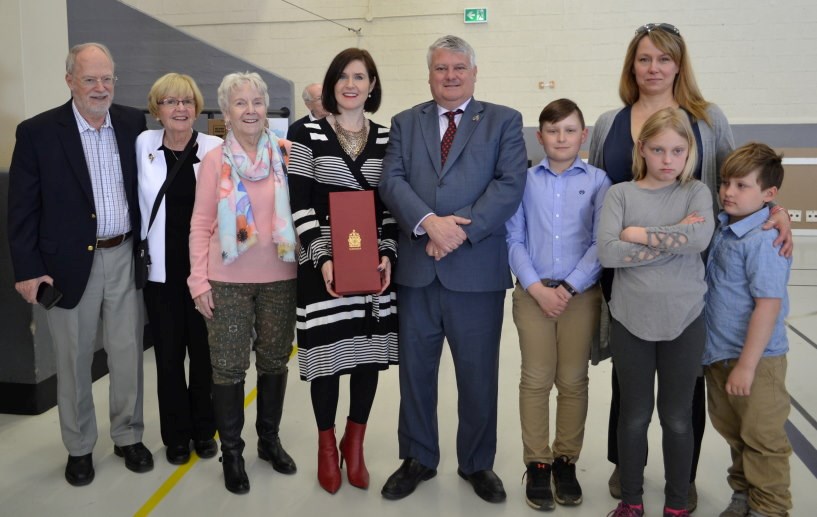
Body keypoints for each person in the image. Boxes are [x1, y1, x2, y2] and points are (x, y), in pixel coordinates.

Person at [587, 22, 792, 510]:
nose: (653, 67)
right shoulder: (607, 124)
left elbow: (736, 184)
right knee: (629, 385)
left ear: (679, 64)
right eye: (644, 58)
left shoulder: (707, 118)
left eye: (664, 58)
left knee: (686, 394)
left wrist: (774, 210)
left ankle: (685, 477)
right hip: (626, 278)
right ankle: (626, 469)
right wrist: (623, 244)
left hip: (688, 277)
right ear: (631, 65)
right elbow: (597, 193)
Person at [379, 34, 527, 504]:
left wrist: (458, 231)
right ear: (429, 74)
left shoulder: (504, 121)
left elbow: (509, 184)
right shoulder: (405, 122)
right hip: (418, 272)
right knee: (416, 373)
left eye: (459, 68)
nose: (450, 76)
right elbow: (392, 179)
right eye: (441, 68)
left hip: (476, 272)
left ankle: (477, 462)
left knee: (478, 373)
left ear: (474, 72)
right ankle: (419, 457)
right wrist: (428, 223)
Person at [7, 42, 152, 486]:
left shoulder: (132, 123)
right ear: (69, 79)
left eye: (107, 78)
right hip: (68, 266)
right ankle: (80, 447)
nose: (100, 87)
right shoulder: (38, 132)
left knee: (128, 354)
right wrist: (28, 270)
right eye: (90, 79)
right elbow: (22, 208)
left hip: (125, 255)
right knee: (73, 361)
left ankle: (128, 435)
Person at [288, 48, 397, 494]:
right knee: (329, 361)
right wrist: (324, 256)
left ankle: (356, 445)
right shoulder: (305, 133)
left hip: (371, 265)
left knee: (365, 357)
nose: (351, 84)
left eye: (361, 77)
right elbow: (298, 202)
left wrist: (387, 251)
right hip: (323, 267)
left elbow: (390, 205)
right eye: (343, 77)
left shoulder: (390, 138)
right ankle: (326, 448)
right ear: (332, 84)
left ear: (372, 85)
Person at [598, 108, 715, 517]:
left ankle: (677, 504)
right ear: (642, 149)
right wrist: (671, 239)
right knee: (634, 416)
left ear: (689, 154)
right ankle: (631, 500)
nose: (668, 159)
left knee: (677, 419)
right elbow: (608, 252)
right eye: (659, 149)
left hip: (685, 319)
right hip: (632, 320)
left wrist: (637, 235)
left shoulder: (696, 192)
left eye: (678, 150)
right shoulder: (621, 195)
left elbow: (698, 239)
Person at [188, 71, 298, 494]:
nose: (250, 110)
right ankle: (232, 453)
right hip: (227, 279)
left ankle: (268, 441)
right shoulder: (214, 161)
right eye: (240, 103)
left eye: (256, 102)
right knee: (229, 367)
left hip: (281, 277)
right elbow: (199, 225)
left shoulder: (287, 154)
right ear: (227, 113)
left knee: (274, 361)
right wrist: (198, 280)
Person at [506, 98, 610, 510]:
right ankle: (538, 463)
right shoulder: (525, 180)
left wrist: (567, 288)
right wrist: (536, 288)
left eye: (569, 130)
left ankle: (566, 460)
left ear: (583, 136)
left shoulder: (600, 181)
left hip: (580, 296)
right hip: (532, 295)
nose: (561, 137)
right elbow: (513, 239)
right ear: (540, 136)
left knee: (572, 381)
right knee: (535, 379)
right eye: (553, 130)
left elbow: (600, 242)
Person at [137, 73, 223, 465]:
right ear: (157, 110)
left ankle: (205, 430)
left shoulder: (216, 148)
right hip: (161, 274)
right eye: (171, 102)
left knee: (204, 356)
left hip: (204, 272)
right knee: (169, 358)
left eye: (187, 101)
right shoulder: (143, 146)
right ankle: (175, 434)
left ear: (197, 107)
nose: (180, 109)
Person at [702, 143, 792, 517]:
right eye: (725, 183)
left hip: (755, 362)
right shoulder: (726, 227)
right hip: (720, 355)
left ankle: (769, 508)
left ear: (769, 195)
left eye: (741, 185)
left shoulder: (764, 239)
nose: (728, 192)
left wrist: (747, 366)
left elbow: (767, 304)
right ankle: (744, 495)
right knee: (736, 435)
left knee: (763, 439)